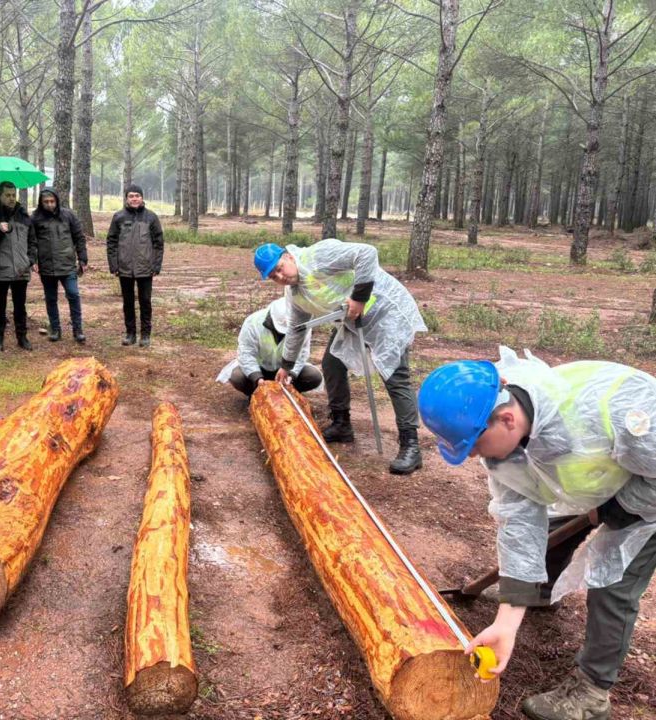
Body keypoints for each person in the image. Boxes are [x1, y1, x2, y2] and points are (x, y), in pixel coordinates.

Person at [418, 347, 656, 720]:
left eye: (474, 445)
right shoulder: (506, 448)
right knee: (550, 531)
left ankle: (593, 693)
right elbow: (520, 526)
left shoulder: (618, 410)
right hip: (598, 478)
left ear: (508, 419)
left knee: (613, 587)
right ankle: (539, 593)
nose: (471, 457)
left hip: (649, 489)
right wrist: (506, 622)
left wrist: (615, 509)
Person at [254, 240, 427, 474]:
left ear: (288, 257)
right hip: (352, 320)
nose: (280, 276)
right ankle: (341, 424)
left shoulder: (318, 256)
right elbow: (297, 328)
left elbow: (367, 253)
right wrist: (287, 365)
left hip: (384, 311)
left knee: (395, 376)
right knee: (332, 364)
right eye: (273, 276)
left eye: (279, 268)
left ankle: (411, 445)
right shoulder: (295, 294)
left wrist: (359, 297)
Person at [217, 297, 322, 397]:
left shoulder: (301, 326)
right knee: (237, 376)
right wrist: (257, 377)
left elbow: (302, 354)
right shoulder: (252, 323)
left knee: (313, 376)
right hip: (259, 367)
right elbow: (246, 354)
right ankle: (256, 394)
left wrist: (291, 375)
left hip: (285, 370)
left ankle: (288, 392)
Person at [0, 181, 36, 352]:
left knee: (20, 306)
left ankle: (22, 336)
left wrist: (30, 260)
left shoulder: (24, 215)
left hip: (21, 269)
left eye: (13, 195)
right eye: (7, 195)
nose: (11, 198)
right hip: (0, 268)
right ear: (0, 195)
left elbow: (32, 241)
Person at [106, 184, 163, 347]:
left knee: (145, 301)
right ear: (126, 198)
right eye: (131, 196)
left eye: (137, 195)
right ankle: (130, 333)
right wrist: (113, 264)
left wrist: (156, 265)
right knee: (128, 302)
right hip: (124, 268)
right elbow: (111, 242)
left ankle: (145, 334)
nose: (134, 199)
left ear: (142, 197)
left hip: (146, 268)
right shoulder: (118, 217)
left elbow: (159, 243)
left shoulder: (151, 217)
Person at [31, 187, 88, 343]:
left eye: (52, 201)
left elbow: (79, 237)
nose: (50, 204)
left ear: (57, 200)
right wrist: (33, 260)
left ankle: (78, 330)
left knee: (73, 295)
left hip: (67, 264)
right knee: (51, 298)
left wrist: (83, 259)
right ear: (41, 203)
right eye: (46, 202)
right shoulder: (35, 218)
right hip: (46, 266)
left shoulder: (68, 215)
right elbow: (32, 241)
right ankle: (55, 329)